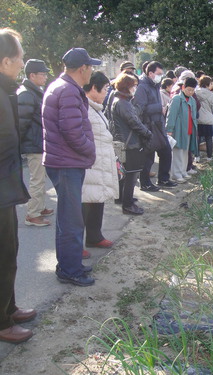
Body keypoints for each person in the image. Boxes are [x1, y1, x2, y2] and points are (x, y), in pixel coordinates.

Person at [42, 47, 100, 286]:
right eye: (90, 67)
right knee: (71, 220)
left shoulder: (63, 86)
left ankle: (70, 264)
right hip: (66, 162)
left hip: (63, 161)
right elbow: (72, 131)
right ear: (82, 69)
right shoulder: (67, 90)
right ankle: (70, 269)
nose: (92, 72)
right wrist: (90, 149)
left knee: (68, 218)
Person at [0, 27, 36, 344]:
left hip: (6, 187)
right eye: (19, 59)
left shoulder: (6, 90)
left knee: (10, 252)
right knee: (2, 255)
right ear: (5, 61)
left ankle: (8, 308)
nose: (22, 64)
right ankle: (1, 322)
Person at [81, 71, 119, 250]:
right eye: (104, 89)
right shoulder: (84, 109)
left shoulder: (95, 107)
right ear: (93, 88)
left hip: (100, 163)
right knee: (85, 204)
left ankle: (95, 236)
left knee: (98, 200)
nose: (106, 93)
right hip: (90, 165)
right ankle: (78, 244)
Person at [17, 59, 53, 226]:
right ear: (32, 75)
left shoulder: (33, 91)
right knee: (37, 180)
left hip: (38, 142)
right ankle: (32, 214)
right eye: (43, 74)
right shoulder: (26, 93)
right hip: (34, 144)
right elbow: (21, 123)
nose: (45, 77)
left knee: (40, 179)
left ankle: (40, 207)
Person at [110, 72, 152, 214]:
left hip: (123, 141)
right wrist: (147, 133)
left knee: (124, 172)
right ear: (127, 86)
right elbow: (134, 122)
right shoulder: (123, 103)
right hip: (130, 143)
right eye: (134, 86)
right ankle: (127, 205)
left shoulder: (118, 100)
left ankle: (122, 198)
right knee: (131, 174)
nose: (135, 88)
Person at [134, 61, 176, 191]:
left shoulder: (155, 85)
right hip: (149, 125)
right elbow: (139, 108)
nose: (160, 76)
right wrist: (159, 108)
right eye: (158, 74)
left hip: (158, 124)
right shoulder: (142, 87)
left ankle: (163, 179)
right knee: (148, 156)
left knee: (166, 151)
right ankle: (145, 183)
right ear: (150, 73)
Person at [166, 77, 198, 183]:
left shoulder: (192, 100)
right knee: (178, 152)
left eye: (193, 90)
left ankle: (183, 171)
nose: (191, 92)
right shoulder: (176, 99)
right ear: (183, 87)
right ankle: (176, 174)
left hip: (188, 130)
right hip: (178, 130)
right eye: (189, 89)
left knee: (185, 151)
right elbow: (171, 115)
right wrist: (169, 129)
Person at [196, 76, 213, 160]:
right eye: (211, 83)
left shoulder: (195, 92)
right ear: (208, 84)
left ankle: (197, 156)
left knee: (197, 138)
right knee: (208, 138)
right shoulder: (211, 94)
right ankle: (209, 157)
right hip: (207, 119)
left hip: (197, 118)